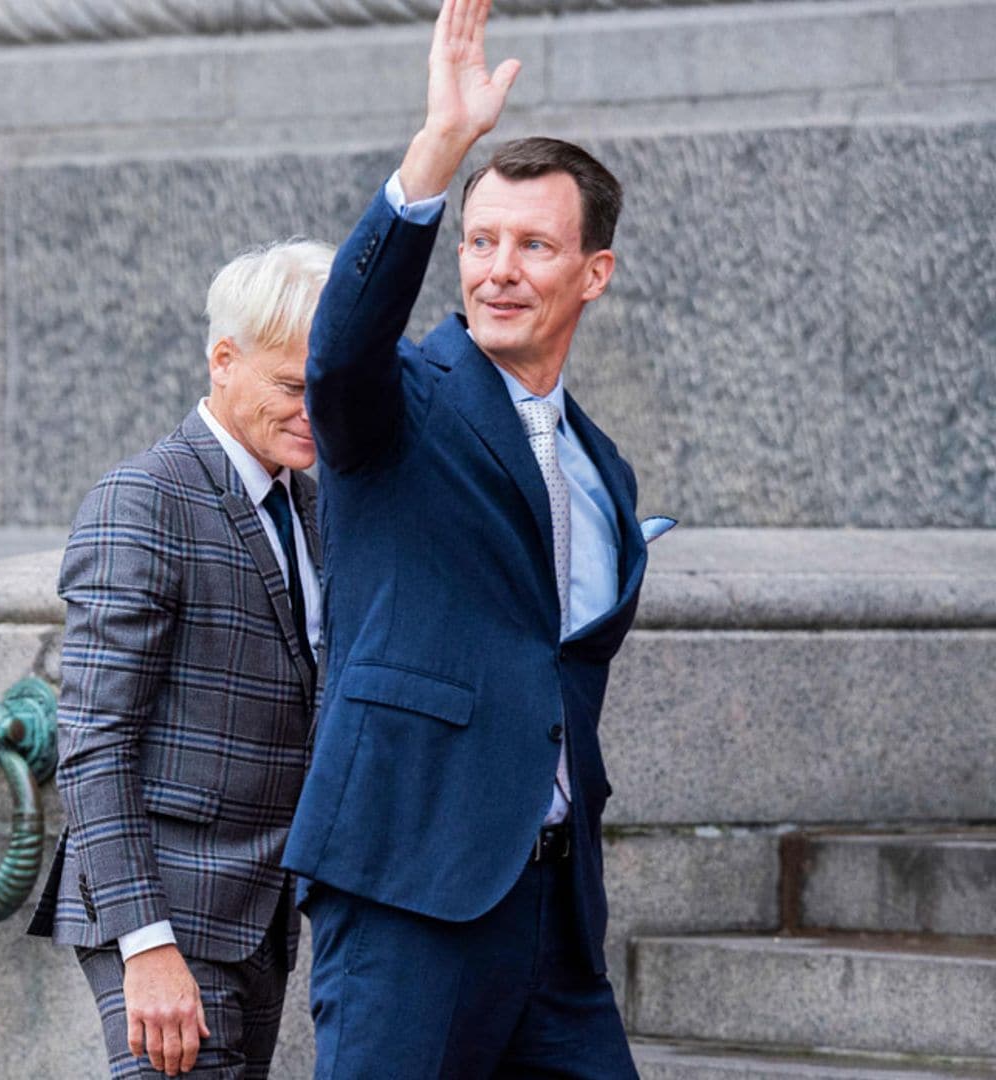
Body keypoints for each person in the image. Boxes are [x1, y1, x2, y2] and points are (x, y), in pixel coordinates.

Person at [281, 0, 664, 1073]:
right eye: (481, 241)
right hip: (410, 884)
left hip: (552, 906)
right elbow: (337, 356)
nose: (497, 268)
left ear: (594, 273)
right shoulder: (397, 404)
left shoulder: (602, 468)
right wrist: (436, 154)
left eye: (533, 245)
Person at [28, 241, 333, 1078]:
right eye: (294, 388)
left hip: (261, 918)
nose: (317, 410)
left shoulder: (306, 500)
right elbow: (92, 739)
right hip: (166, 926)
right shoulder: (144, 498)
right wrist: (147, 948)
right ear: (224, 362)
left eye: (330, 387)